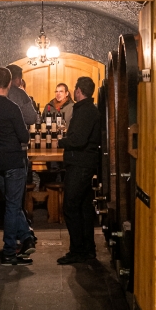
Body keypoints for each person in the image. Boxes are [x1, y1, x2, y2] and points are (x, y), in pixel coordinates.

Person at [0, 67, 37, 266]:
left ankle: (26, 237)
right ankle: (9, 252)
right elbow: (24, 137)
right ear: (9, 83)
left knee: (10, 203)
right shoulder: (12, 107)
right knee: (13, 206)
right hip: (14, 162)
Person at [56, 76, 101, 264]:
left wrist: (62, 142)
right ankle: (88, 249)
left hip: (80, 164)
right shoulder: (87, 109)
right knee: (84, 207)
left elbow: (79, 140)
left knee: (70, 206)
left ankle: (77, 250)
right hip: (84, 163)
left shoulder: (85, 111)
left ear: (78, 91)